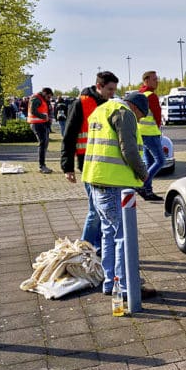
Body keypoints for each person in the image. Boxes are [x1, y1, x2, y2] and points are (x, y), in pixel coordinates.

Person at [81, 92, 154, 298]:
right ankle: (126, 287)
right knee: (124, 237)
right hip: (114, 183)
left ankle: (109, 283)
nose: (138, 120)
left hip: (96, 180)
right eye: (140, 116)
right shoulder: (124, 113)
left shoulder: (100, 110)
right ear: (136, 108)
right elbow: (129, 149)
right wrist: (144, 174)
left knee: (108, 235)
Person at [61, 71, 119, 255]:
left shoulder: (110, 103)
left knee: (100, 209)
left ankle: (97, 247)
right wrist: (67, 167)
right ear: (99, 86)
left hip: (107, 165)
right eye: (110, 89)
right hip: (88, 163)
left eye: (114, 89)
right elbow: (69, 136)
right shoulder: (81, 103)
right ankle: (84, 249)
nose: (113, 93)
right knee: (95, 210)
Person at [137, 71, 165, 201]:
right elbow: (157, 116)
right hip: (151, 133)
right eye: (154, 79)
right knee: (160, 161)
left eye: (157, 79)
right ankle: (142, 185)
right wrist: (158, 127)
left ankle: (148, 191)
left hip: (141, 133)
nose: (157, 81)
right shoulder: (151, 96)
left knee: (149, 162)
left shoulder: (139, 94)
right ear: (146, 81)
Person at [28, 87, 54, 173]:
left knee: (45, 144)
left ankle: (42, 165)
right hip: (37, 124)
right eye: (48, 97)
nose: (49, 99)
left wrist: (48, 119)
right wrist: (44, 117)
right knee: (42, 144)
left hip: (43, 124)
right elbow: (33, 111)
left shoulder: (43, 99)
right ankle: (41, 166)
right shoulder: (36, 98)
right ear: (44, 93)